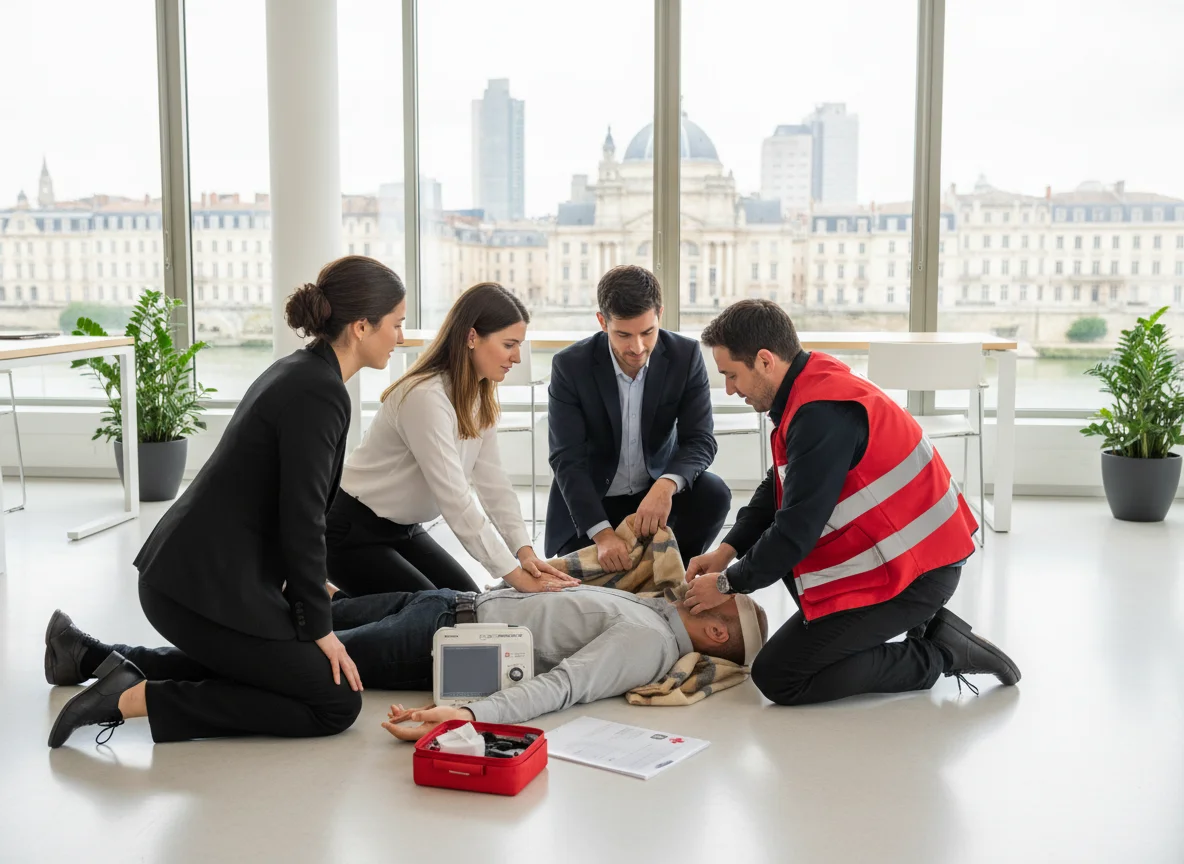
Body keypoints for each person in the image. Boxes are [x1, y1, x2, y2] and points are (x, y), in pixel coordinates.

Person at [46, 256, 408, 748]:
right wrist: (320, 630)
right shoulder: (319, 393)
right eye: (397, 324)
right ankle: (131, 699)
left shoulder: (302, 372)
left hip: (194, 575)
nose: (401, 337)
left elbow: (272, 500)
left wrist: (306, 585)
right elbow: (301, 517)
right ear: (362, 326)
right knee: (334, 703)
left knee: (278, 671)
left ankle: (89, 658)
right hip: (197, 587)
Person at [683, 300, 1021, 706]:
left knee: (778, 676)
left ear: (765, 360)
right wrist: (726, 550)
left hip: (919, 573)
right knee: (784, 566)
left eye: (732, 375)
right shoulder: (811, 383)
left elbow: (794, 535)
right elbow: (780, 486)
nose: (730, 389)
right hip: (906, 555)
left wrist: (726, 584)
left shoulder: (821, 415)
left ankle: (942, 652)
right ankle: (903, 630)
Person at [325, 282, 577, 597]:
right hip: (351, 530)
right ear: (472, 337)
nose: (516, 357)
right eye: (509, 344)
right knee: (437, 618)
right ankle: (319, 602)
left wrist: (525, 553)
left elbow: (493, 484)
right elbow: (455, 500)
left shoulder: (479, 395)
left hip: (405, 530)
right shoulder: (425, 396)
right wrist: (513, 575)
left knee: (469, 604)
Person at [545, 265, 729, 571]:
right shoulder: (570, 366)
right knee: (591, 594)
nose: (638, 347)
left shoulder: (686, 356)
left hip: (654, 497)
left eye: (648, 332)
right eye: (623, 335)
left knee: (715, 494)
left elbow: (700, 439)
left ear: (659, 313)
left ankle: (667, 576)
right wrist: (603, 535)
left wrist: (666, 485)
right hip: (593, 504)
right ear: (602, 321)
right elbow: (567, 459)